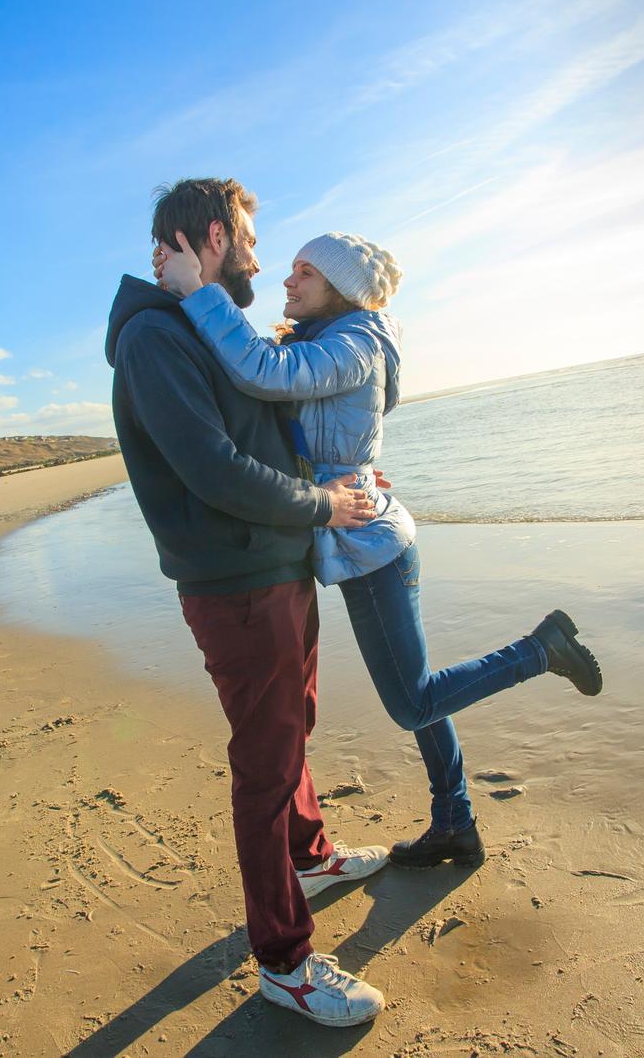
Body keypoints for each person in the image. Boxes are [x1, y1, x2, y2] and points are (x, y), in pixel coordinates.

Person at [155, 228, 603, 873]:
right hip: (356, 533)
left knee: (412, 700)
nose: (287, 280)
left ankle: (541, 650)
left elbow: (263, 371)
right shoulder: (323, 338)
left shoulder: (357, 341)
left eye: (304, 272)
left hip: (371, 547)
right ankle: (455, 822)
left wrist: (197, 292)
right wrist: (339, 468)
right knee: (422, 690)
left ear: (340, 287)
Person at [106, 178, 392, 1028]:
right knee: (265, 763)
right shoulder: (154, 338)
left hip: (276, 562)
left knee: (291, 726)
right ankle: (285, 960)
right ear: (212, 239)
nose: (263, 256)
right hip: (236, 580)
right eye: (249, 236)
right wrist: (324, 507)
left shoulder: (199, 324)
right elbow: (214, 469)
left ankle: (308, 858)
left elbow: (267, 427)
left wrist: (341, 478)